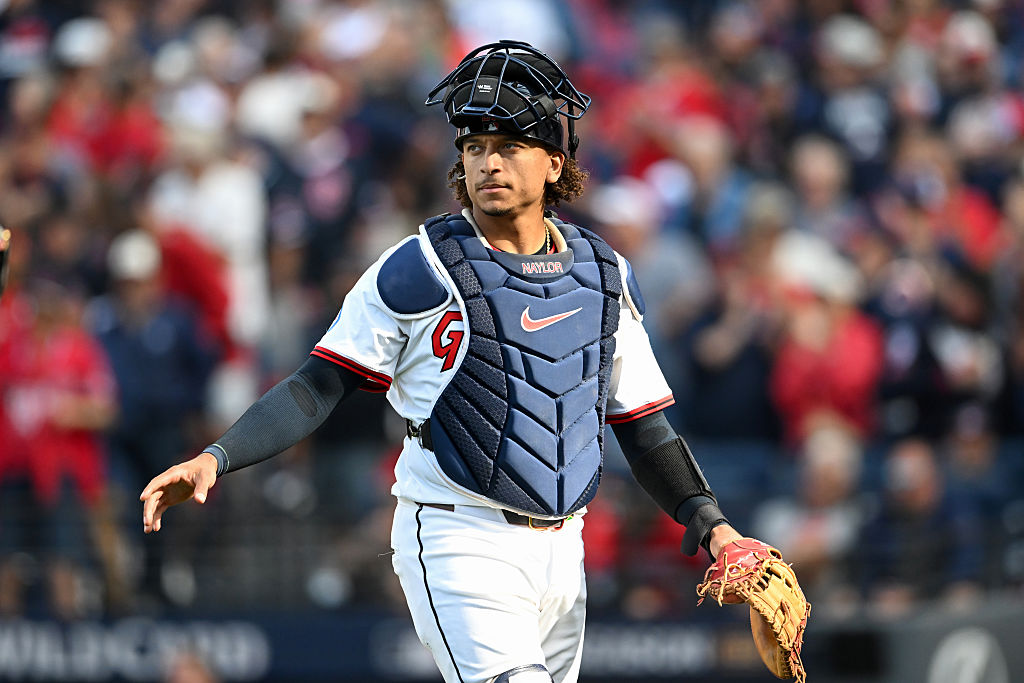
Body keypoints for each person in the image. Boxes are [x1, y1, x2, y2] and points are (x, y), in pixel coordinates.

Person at [141, 41, 784, 683]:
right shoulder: (419, 267)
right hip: (459, 533)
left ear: (554, 161)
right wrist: (215, 457)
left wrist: (715, 529)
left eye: (508, 144)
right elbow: (318, 385)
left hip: (565, 549)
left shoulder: (605, 274)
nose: (488, 162)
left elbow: (644, 427)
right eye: (474, 146)